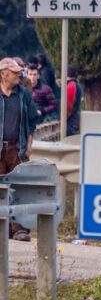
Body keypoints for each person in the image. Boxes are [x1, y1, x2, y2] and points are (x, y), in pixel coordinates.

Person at [0, 57, 40, 241]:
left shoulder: (23, 95)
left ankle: (19, 229)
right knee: (1, 191)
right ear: (3, 74)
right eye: (14, 72)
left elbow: (33, 119)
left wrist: (29, 143)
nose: (18, 75)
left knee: (19, 189)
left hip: (17, 148)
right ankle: (3, 229)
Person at [65, 65, 83, 136]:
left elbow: (69, 106)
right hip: (74, 118)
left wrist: (64, 117)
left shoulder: (71, 85)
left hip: (71, 120)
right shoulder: (77, 85)